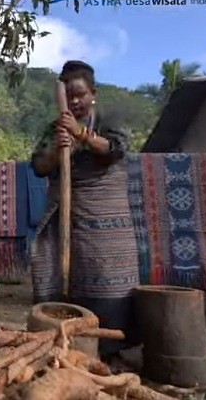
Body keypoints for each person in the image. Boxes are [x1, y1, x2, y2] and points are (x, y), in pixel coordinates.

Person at [29, 60, 139, 355]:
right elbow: (38, 166)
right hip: (65, 214)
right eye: (70, 95)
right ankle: (60, 344)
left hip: (106, 217)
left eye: (81, 94)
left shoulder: (107, 121)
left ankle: (110, 349)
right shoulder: (54, 129)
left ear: (94, 93)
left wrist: (80, 134)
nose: (76, 101)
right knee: (53, 269)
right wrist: (57, 151)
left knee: (108, 279)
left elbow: (116, 150)